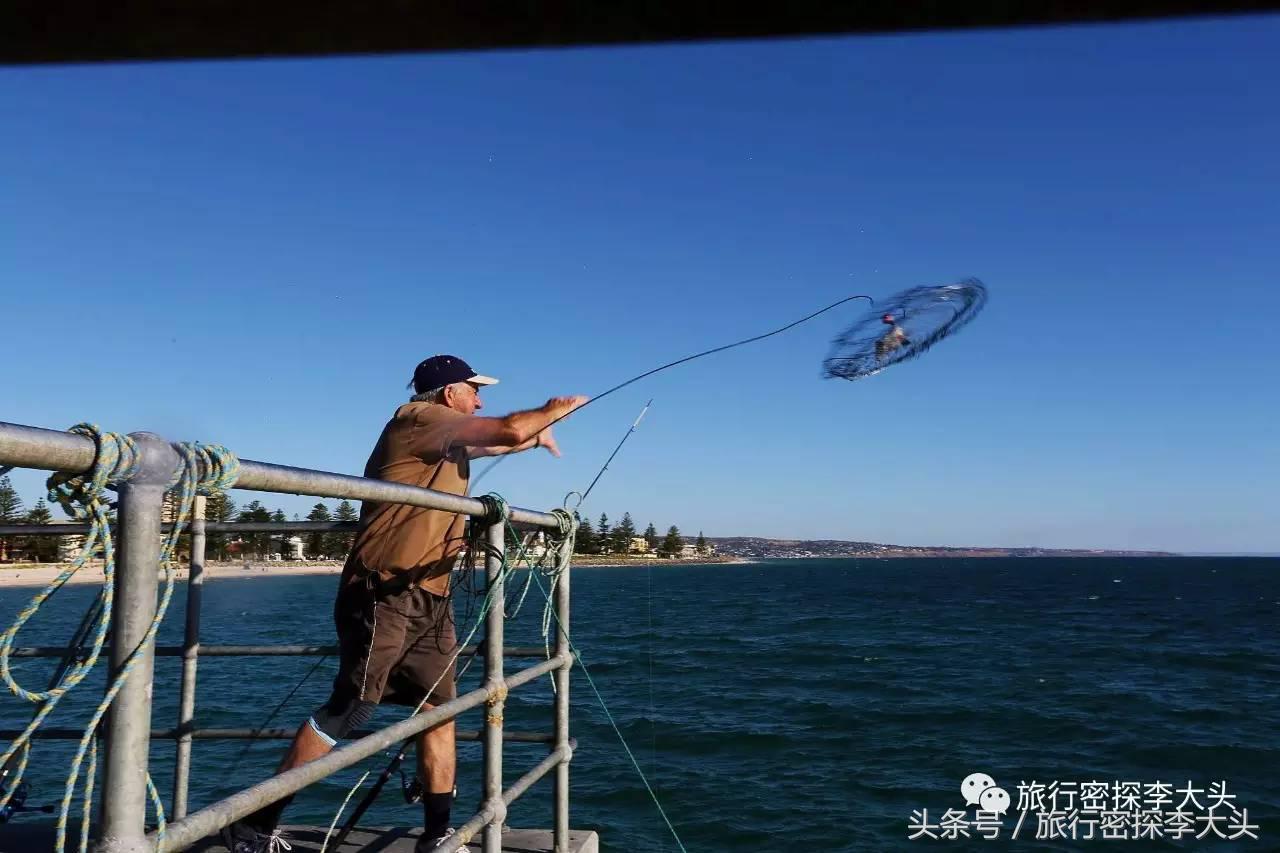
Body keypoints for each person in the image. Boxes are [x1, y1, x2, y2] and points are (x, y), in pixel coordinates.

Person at [222, 355, 587, 853]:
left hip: (430, 593)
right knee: (351, 707)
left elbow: (505, 439)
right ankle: (253, 824)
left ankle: (438, 835)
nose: (480, 400)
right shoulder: (420, 419)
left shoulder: (444, 438)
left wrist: (536, 435)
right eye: (474, 390)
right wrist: (553, 408)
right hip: (385, 588)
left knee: (439, 707)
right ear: (449, 392)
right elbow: (507, 429)